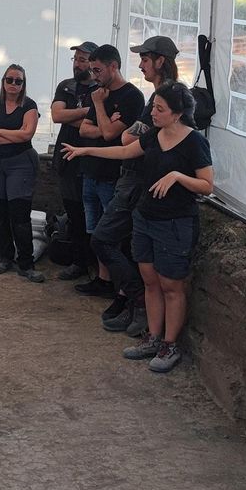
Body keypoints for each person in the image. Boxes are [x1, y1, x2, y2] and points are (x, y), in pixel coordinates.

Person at [62, 80, 212, 372]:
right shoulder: (154, 135)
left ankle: (170, 344)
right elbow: (124, 152)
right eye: (154, 106)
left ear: (177, 114)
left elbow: (207, 185)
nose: (152, 113)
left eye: (159, 109)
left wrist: (177, 177)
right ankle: (153, 338)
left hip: (175, 223)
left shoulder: (195, 142)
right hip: (145, 217)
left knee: (171, 286)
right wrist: (85, 151)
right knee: (150, 281)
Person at [92, 35, 180, 335]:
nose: (141, 65)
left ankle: (138, 301)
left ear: (160, 61)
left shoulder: (166, 97)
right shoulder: (157, 98)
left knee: (103, 239)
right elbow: (123, 136)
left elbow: (126, 138)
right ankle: (134, 303)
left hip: (139, 181)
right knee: (127, 246)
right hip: (135, 179)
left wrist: (124, 132)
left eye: (145, 59)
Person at [72, 44, 144, 298]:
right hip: (90, 170)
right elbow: (85, 129)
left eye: (98, 70)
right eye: (92, 70)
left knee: (111, 232)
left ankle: (121, 286)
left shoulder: (131, 96)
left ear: (113, 66)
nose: (94, 75)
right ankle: (103, 279)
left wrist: (100, 109)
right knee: (95, 229)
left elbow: (112, 134)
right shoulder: (99, 94)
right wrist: (104, 126)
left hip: (112, 174)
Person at [0, 63, 43, 282]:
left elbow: (27, 135)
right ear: (3, 82)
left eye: (18, 81)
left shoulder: (29, 106)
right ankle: (4, 257)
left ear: (23, 84)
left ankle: (26, 263)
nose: (13, 84)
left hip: (20, 163)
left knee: (20, 213)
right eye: (10, 80)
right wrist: (12, 135)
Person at [50, 41, 100, 280]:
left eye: (82, 59)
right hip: (66, 160)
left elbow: (99, 125)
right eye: (75, 59)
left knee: (92, 214)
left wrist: (75, 118)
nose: (77, 64)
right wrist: (86, 112)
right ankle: (79, 262)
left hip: (91, 160)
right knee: (74, 212)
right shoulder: (66, 86)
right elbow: (57, 115)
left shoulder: (101, 89)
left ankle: (94, 264)